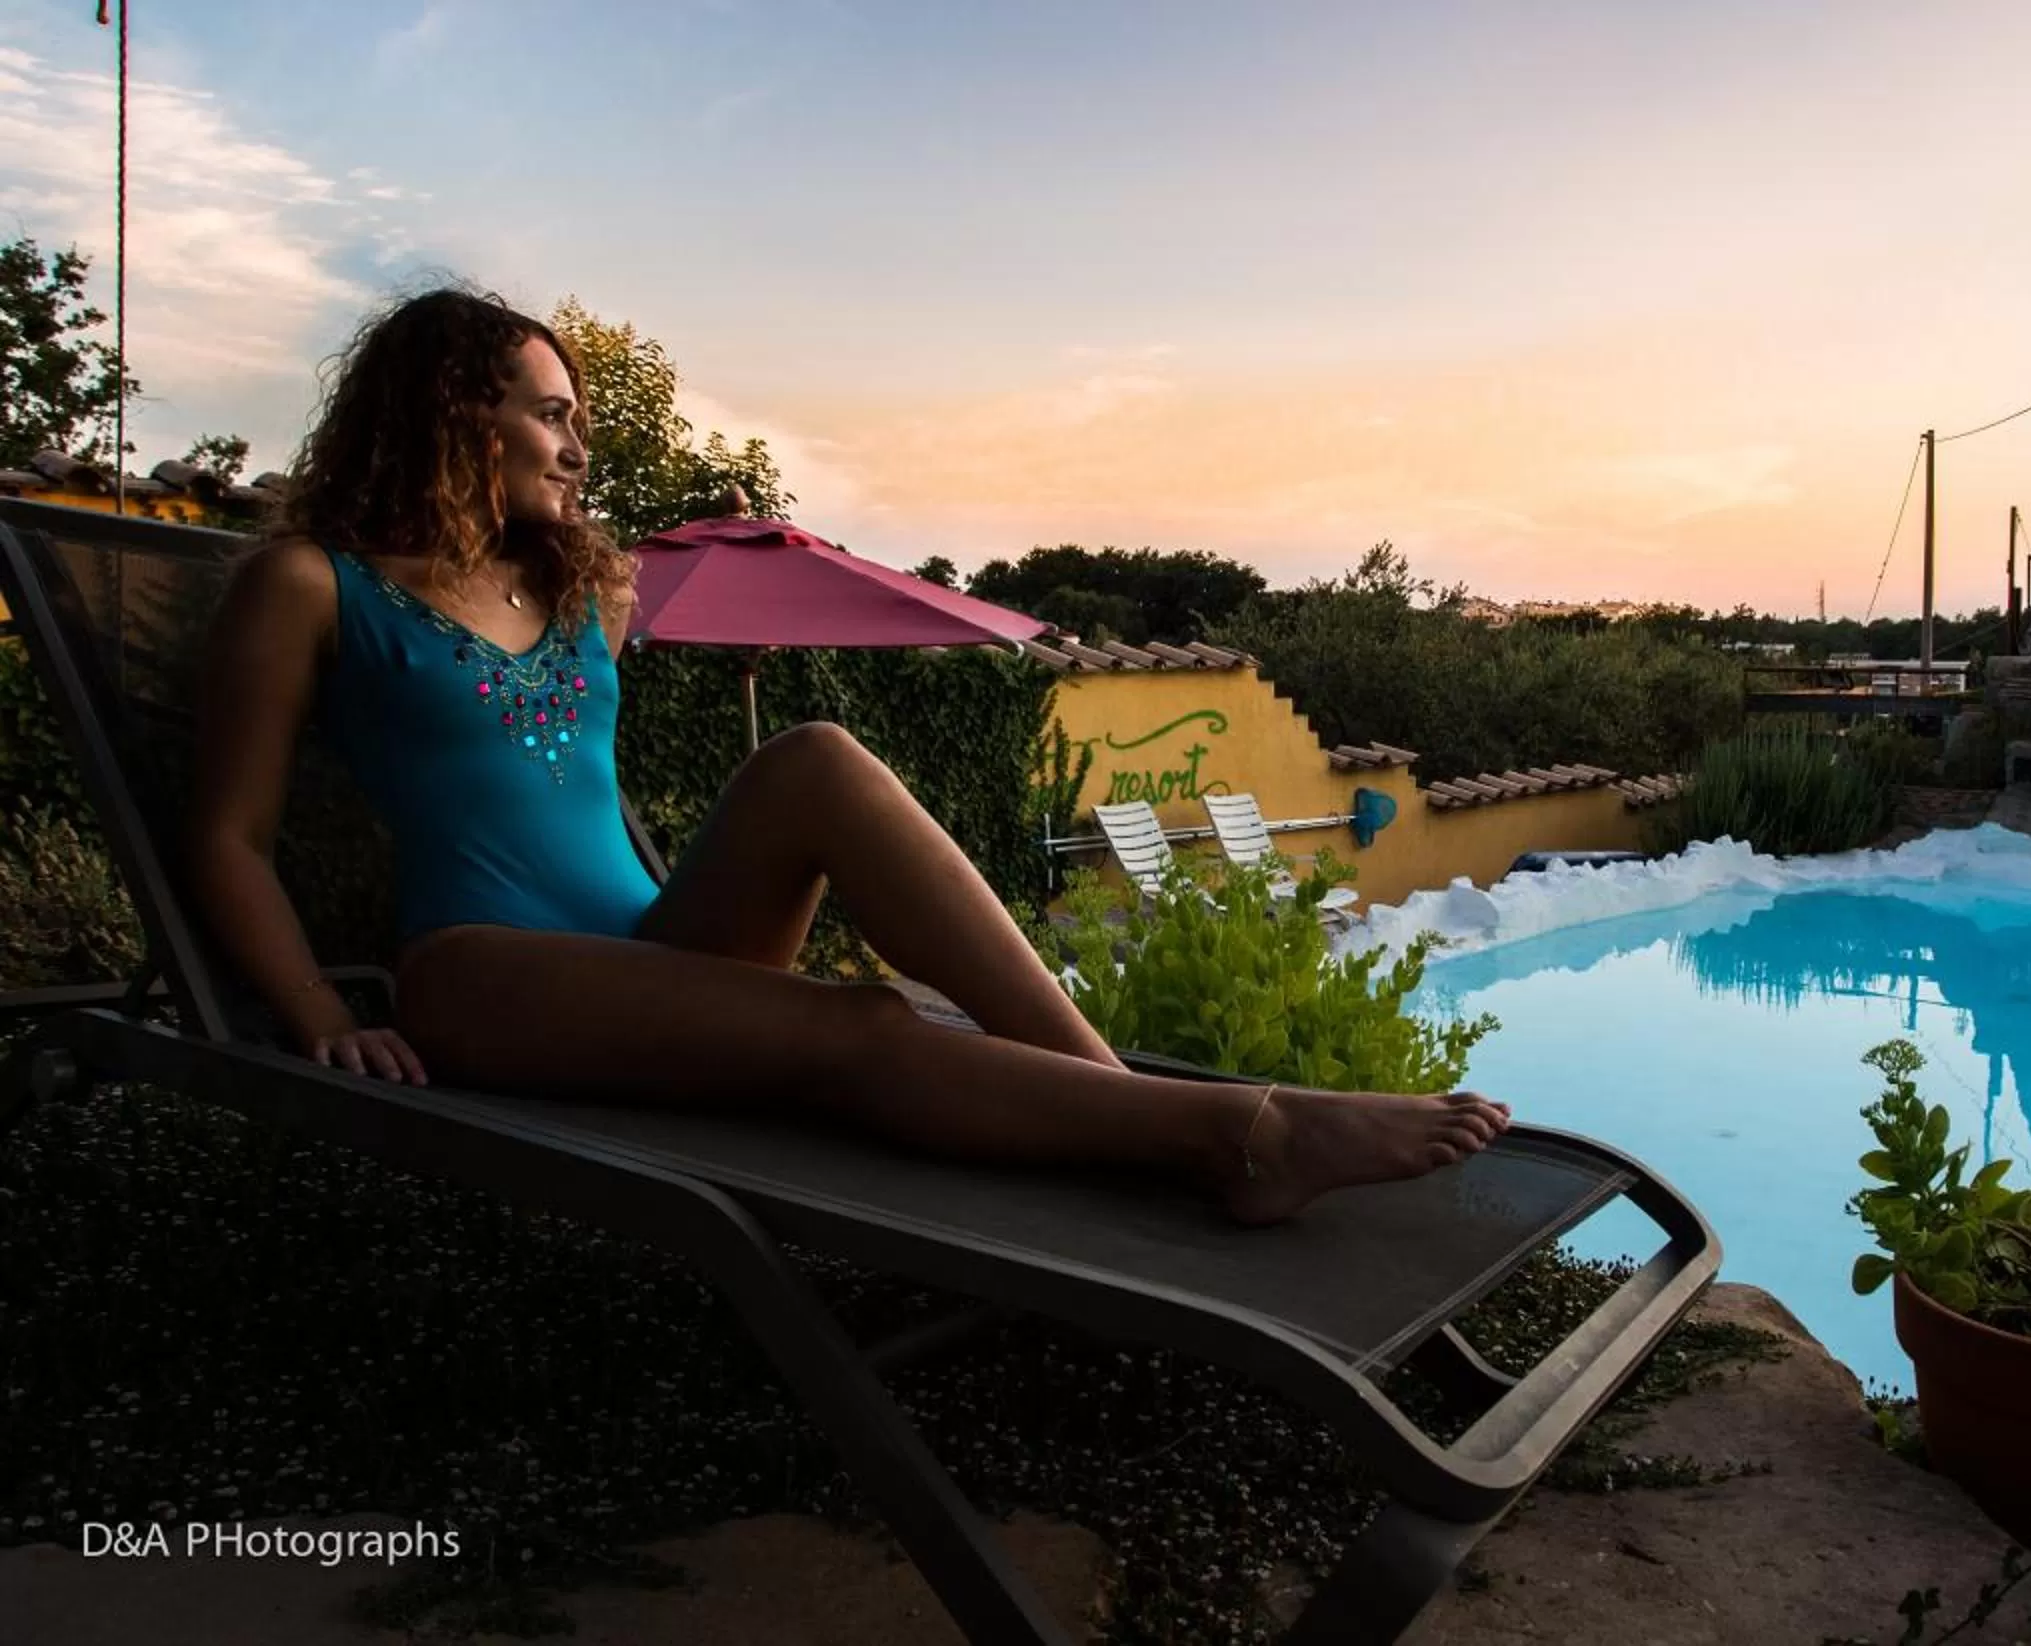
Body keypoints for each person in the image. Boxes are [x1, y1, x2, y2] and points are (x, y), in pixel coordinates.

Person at [187, 287, 1506, 1224]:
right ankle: (1240, 1133)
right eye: (552, 415)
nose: (580, 448)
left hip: (656, 954)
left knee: (814, 755)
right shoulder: (312, 585)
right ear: (453, 411)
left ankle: (1114, 1100)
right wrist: (322, 1018)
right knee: (862, 1019)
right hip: (481, 978)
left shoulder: (588, 589)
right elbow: (227, 837)